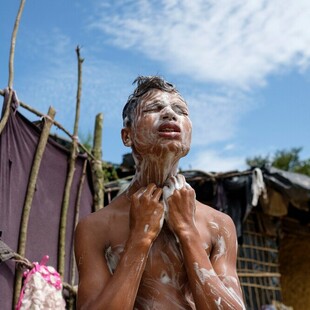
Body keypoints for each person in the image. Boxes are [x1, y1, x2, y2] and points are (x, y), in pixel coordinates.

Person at [74, 76, 245, 309]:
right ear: (127, 136)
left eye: (180, 111)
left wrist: (187, 231)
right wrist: (139, 239)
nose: (169, 113)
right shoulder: (96, 227)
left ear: (189, 133)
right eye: (155, 108)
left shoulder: (219, 224)